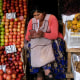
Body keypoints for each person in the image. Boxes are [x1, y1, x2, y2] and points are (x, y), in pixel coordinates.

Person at [25, 5, 67, 80]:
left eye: (38, 15)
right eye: (34, 15)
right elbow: (27, 37)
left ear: (44, 13)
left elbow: (54, 35)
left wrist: (43, 34)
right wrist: (32, 36)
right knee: (31, 46)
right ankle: (42, 72)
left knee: (52, 45)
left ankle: (46, 72)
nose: (36, 17)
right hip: (38, 42)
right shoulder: (32, 21)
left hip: (51, 40)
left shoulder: (52, 18)